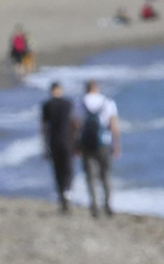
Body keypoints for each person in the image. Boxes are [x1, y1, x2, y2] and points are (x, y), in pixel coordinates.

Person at [72, 80, 120, 217]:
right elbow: (113, 125)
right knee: (105, 175)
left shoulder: (79, 103)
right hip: (104, 142)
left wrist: (75, 144)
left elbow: (75, 126)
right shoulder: (107, 102)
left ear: (86, 89)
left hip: (86, 143)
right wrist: (117, 145)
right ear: (97, 88)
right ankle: (108, 204)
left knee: (91, 176)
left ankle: (94, 206)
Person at [40, 82, 76, 213]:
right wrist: (76, 142)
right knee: (68, 169)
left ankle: (62, 195)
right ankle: (67, 193)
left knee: (58, 170)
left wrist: (44, 146)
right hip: (67, 141)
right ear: (60, 90)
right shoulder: (68, 104)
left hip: (53, 142)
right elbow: (74, 124)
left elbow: (43, 128)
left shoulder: (47, 105)